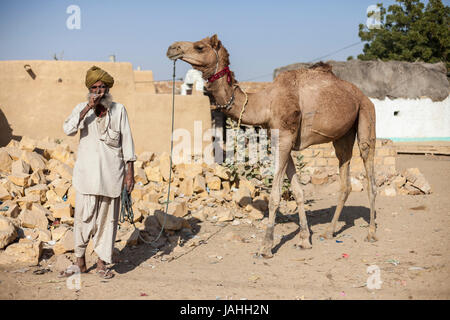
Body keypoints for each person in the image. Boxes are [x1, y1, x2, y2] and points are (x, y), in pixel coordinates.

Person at [62, 65, 136, 279]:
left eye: (102, 87)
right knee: (83, 220)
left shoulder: (119, 110)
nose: (98, 91)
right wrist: (87, 108)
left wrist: (130, 174)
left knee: (107, 222)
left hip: (112, 176)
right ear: (89, 90)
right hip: (86, 177)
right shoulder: (81, 109)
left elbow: (128, 142)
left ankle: (102, 263)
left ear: (108, 89)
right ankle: (80, 262)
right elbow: (67, 129)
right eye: (94, 87)